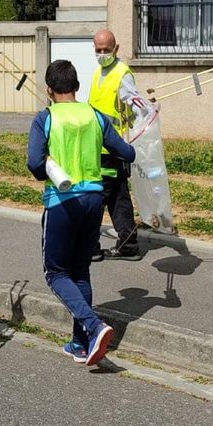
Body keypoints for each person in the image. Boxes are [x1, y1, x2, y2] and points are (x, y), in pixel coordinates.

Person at [27, 59, 136, 366]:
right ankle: (78, 344)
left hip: (62, 202)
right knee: (80, 271)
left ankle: (93, 325)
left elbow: (35, 165)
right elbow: (127, 153)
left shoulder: (44, 118)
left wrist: (49, 160)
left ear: (49, 89)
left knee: (56, 273)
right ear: (76, 87)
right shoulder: (96, 116)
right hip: (93, 201)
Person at [88, 28, 147, 260]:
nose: (102, 54)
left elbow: (137, 106)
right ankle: (128, 244)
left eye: (106, 50)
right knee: (117, 196)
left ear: (116, 49)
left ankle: (90, 247)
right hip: (99, 146)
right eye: (98, 50)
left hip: (112, 147)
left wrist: (142, 108)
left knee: (97, 196)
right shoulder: (99, 72)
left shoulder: (122, 74)